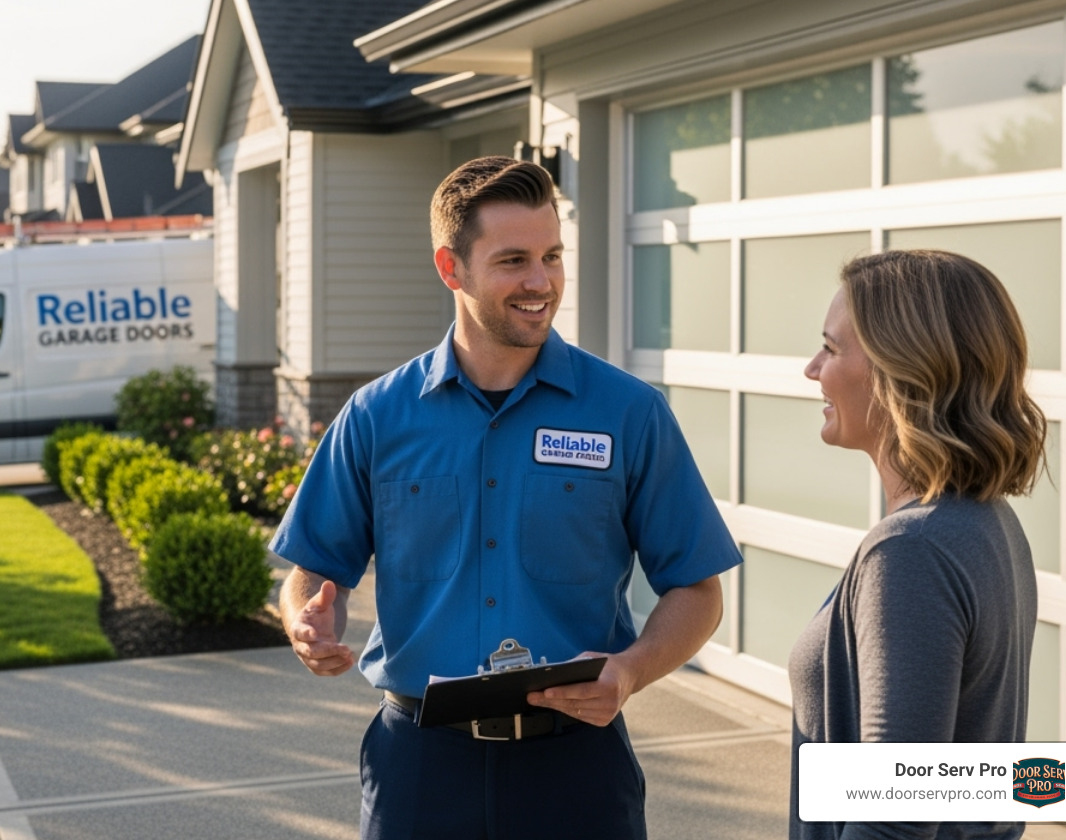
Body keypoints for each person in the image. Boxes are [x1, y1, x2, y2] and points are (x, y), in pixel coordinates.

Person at [271, 155, 742, 839]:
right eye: (514, 260)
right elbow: (313, 569)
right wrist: (305, 621)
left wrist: (631, 671)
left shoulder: (629, 413)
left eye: (552, 255)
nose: (542, 281)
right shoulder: (377, 417)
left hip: (576, 770)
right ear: (450, 267)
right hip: (420, 771)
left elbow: (698, 591)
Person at [789, 250, 1043, 840]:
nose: (812, 369)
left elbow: (894, 820)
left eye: (830, 348)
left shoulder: (911, 550)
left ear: (897, 370)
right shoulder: (989, 523)